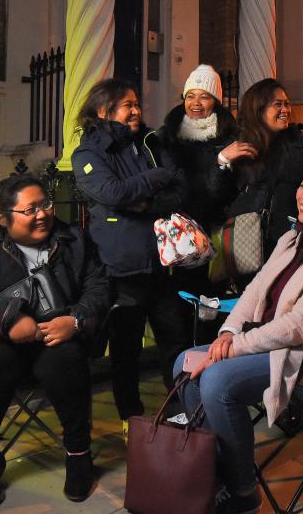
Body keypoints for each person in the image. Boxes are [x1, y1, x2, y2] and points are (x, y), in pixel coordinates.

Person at [173, 147, 303, 514]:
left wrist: (233, 350)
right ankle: (218, 465)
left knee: (217, 383)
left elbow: (299, 327)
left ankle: (244, 492)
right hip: (272, 341)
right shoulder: (293, 238)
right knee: (184, 364)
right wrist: (226, 335)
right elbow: (253, 292)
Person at [0, 175, 108, 511]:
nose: (42, 214)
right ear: (3, 218)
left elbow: (98, 289)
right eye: (30, 209)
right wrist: (8, 319)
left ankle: (78, 457)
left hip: (58, 333)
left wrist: (75, 320)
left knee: (66, 360)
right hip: (2, 337)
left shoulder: (73, 238)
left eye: (45, 204)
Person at [72, 78, 191, 430]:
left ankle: (183, 407)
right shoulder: (89, 153)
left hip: (162, 264)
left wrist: (143, 200)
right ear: (104, 110)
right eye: (128, 105)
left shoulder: (151, 141)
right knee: (126, 350)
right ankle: (131, 417)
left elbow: (179, 186)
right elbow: (112, 191)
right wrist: (154, 180)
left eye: (137, 103)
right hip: (122, 268)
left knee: (175, 341)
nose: (137, 110)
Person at [159, 64, 248, 313]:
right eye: (191, 95)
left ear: (215, 101)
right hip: (177, 233)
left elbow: (227, 191)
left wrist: (221, 162)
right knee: (178, 305)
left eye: (204, 96)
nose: (196, 103)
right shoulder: (167, 135)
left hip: (212, 233)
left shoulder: (229, 137)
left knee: (209, 304)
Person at [228, 78, 303, 260]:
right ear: (259, 110)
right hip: (247, 242)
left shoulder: (300, 144)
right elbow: (220, 194)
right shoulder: (238, 145)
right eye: (278, 105)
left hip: (290, 239)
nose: (285, 110)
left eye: (287, 104)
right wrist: (223, 161)